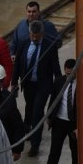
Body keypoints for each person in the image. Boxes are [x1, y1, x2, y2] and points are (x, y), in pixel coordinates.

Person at [12, 20, 61, 157]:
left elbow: (55, 67)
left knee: (37, 113)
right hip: (28, 85)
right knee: (29, 107)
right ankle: (28, 129)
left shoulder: (50, 46)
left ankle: (35, 145)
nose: (34, 39)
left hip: (43, 86)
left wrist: (59, 84)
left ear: (42, 33)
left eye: (37, 36)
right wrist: (14, 82)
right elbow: (17, 65)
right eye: (32, 36)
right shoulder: (23, 43)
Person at [41, 59, 77, 164]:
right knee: (54, 154)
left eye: (71, 75)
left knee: (76, 155)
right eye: (67, 74)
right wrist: (50, 118)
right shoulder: (59, 82)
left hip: (74, 125)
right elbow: (53, 100)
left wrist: (79, 127)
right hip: (59, 122)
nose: (69, 77)